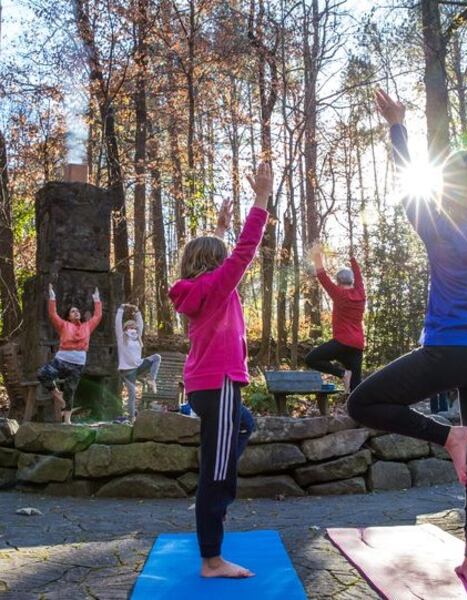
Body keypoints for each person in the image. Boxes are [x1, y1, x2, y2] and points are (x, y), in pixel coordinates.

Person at [347, 82, 467, 585]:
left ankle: (448, 435)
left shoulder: (438, 226)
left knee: (361, 402)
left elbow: (411, 186)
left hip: (446, 351)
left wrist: (398, 127)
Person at [169, 162, 272, 579]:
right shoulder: (216, 288)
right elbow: (245, 251)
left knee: (242, 428)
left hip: (203, 386)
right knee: (217, 471)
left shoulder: (200, 290)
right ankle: (212, 558)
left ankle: (213, 501)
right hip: (221, 383)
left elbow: (224, 259)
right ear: (216, 264)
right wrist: (261, 199)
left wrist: (219, 229)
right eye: (222, 258)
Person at [37, 283, 103, 424]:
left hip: (78, 364)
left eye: (77, 311)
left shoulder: (87, 326)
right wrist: (52, 297)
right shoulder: (63, 325)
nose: (76, 312)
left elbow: (97, 316)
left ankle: (67, 419)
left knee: (70, 389)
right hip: (61, 360)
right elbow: (52, 314)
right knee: (42, 373)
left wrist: (97, 300)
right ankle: (56, 393)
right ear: (68, 316)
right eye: (73, 311)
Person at [305, 245, 366, 393]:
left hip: (341, 342)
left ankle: (342, 373)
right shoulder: (361, 294)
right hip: (357, 344)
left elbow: (322, 276)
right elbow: (359, 278)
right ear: (351, 281)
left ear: (338, 282)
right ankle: (354, 413)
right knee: (355, 387)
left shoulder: (338, 294)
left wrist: (317, 256)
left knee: (311, 359)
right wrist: (353, 260)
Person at [115, 303, 161, 422]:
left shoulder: (137, 338)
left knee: (157, 357)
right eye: (130, 327)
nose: (133, 329)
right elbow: (117, 323)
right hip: (128, 371)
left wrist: (136, 311)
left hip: (139, 365)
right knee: (132, 394)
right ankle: (132, 418)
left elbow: (140, 324)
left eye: (134, 327)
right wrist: (121, 310)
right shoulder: (122, 338)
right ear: (125, 329)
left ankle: (151, 379)